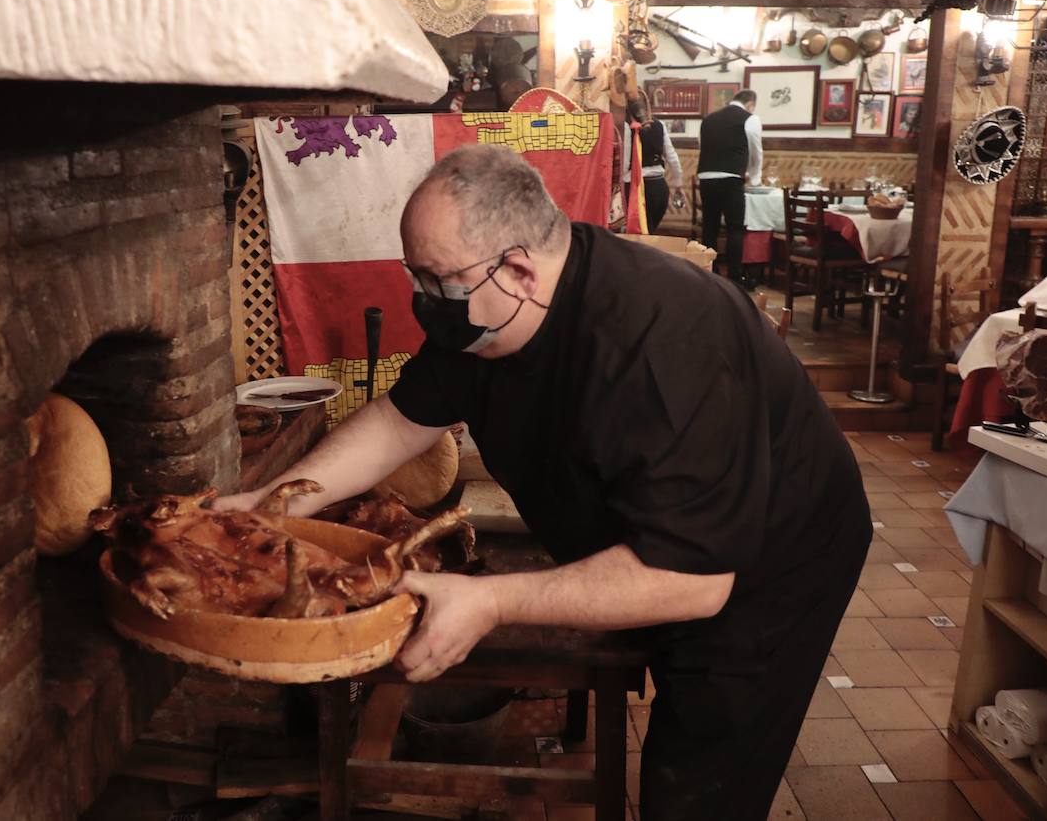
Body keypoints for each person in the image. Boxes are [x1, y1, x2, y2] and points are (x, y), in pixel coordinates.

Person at [216, 144, 871, 821]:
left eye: (438, 282)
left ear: (521, 268)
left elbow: (692, 579)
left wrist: (490, 602)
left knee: (702, 766)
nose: (425, 301)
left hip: (771, 560)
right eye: (417, 278)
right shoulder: (486, 310)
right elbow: (399, 422)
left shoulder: (661, 347)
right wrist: (270, 506)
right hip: (665, 529)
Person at [696, 88, 762, 288]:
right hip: (731, 178)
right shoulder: (750, 118)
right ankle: (734, 277)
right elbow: (755, 150)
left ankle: (709, 273)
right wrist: (755, 176)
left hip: (706, 177)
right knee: (735, 228)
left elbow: (703, 146)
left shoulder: (708, 119)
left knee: (710, 227)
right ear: (750, 103)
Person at [633, 101, 686, 234]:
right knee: (650, 232)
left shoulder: (628, 128)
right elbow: (672, 157)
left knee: (636, 235)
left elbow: (624, 163)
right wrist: (678, 185)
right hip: (658, 186)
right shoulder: (659, 125)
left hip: (635, 187)